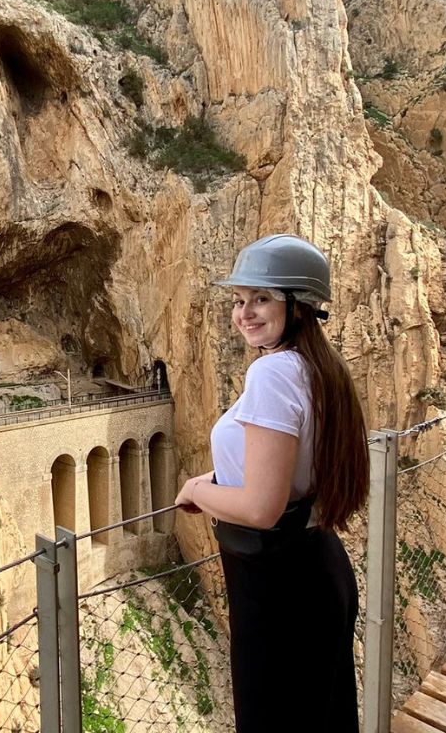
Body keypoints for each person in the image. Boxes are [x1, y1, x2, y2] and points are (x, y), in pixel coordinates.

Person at [174, 234, 368, 732]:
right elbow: (287, 468)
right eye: (240, 300)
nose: (245, 312)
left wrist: (196, 491)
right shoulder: (318, 368)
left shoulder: (272, 375)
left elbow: (261, 507)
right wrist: (218, 478)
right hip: (315, 568)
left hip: (279, 587)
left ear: (299, 306)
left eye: (261, 298)